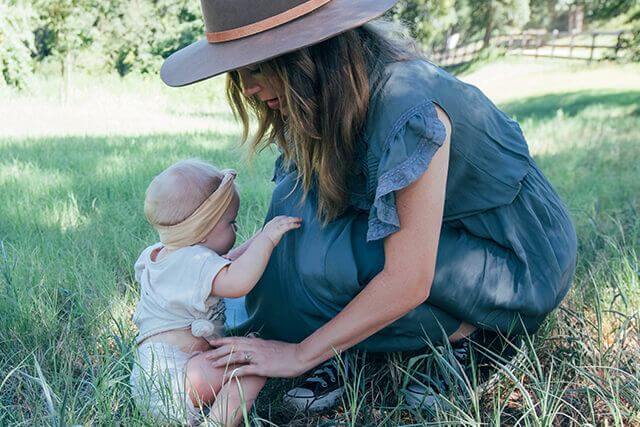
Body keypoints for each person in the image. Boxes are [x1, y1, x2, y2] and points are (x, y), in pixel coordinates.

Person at [160, 0, 578, 411]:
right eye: (239, 72)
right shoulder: (327, 101)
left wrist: (300, 355)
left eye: (257, 67)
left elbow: (408, 278)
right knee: (291, 247)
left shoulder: (408, 105)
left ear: (309, 53)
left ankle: (476, 335)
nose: (248, 87)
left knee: (328, 260)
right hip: (443, 249)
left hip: (513, 257)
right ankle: (353, 340)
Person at [129, 159, 301, 425]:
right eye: (232, 223)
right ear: (204, 229)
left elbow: (229, 261)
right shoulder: (194, 262)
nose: (237, 229)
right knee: (252, 363)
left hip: (150, 381)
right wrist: (267, 239)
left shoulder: (164, 256)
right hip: (179, 379)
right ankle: (219, 421)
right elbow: (237, 281)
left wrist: (260, 237)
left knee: (247, 356)